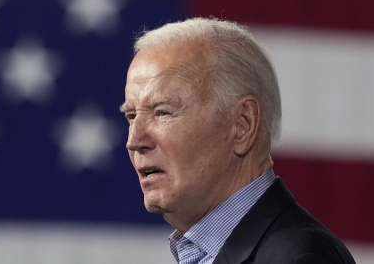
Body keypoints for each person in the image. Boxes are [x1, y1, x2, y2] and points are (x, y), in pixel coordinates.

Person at [120, 17, 356, 264]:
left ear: (242, 125)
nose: (134, 141)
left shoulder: (299, 258)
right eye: (131, 115)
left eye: (163, 112)